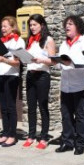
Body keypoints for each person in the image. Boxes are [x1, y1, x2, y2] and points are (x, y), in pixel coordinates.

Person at [55, 15, 84, 155]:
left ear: (78, 26)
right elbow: (62, 63)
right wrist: (59, 62)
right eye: (66, 24)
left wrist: (70, 63)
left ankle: (80, 143)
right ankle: (67, 142)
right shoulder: (64, 44)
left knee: (80, 115)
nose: (67, 26)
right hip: (66, 84)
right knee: (66, 115)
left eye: (70, 24)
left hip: (82, 84)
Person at [23, 14, 56, 150]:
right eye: (30, 25)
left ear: (42, 25)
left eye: (34, 25)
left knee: (42, 106)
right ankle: (31, 135)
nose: (32, 28)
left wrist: (41, 60)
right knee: (31, 107)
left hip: (42, 75)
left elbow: (53, 61)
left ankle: (43, 137)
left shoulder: (48, 39)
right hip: (30, 75)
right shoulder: (30, 40)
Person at [0, 16, 25, 147]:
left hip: (11, 75)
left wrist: (4, 60)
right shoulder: (1, 41)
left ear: (13, 27)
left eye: (5, 26)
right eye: (1, 26)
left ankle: (12, 135)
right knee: (3, 107)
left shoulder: (19, 41)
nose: (2, 28)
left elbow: (17, 63)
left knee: (11, 106)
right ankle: (5, 133)